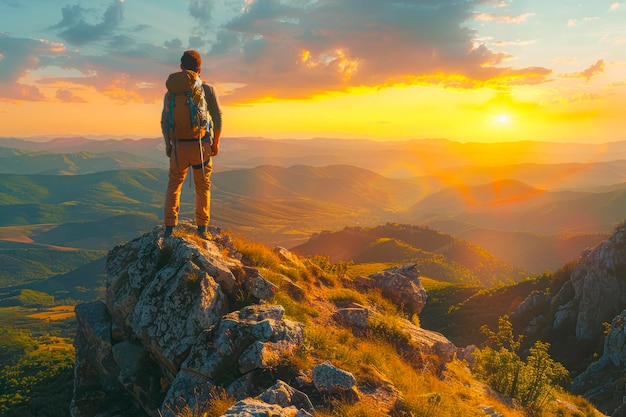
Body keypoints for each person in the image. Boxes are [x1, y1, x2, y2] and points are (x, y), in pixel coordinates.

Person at [161, 50, 222, 239]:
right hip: (200, 145)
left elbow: (164, 121)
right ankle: (202, 228)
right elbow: (218, 118)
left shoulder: (171, 93)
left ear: (181, 68)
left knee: (174, 184)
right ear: (200, 69)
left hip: (179, 146)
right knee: (202, 186)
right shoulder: (207, 89)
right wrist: (215, 143)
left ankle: (170, 227)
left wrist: (169, 145)